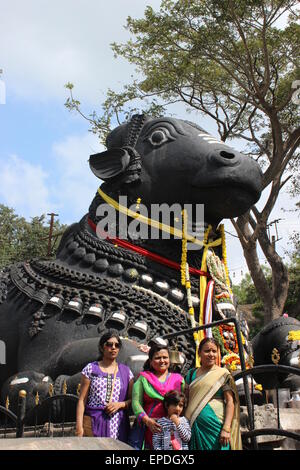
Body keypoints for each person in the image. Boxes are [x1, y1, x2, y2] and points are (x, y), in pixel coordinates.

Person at [76, 330, 134, 442]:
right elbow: (82, 400)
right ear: (102, 347)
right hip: (94, 420)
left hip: (118, 424)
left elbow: (132, 399)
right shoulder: (91, 369)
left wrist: (120, 404)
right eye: (109, 344)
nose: (113, 348)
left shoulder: (126, 372)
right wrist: (79, 426)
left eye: (117, 345)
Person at [185, 337, 242, 450]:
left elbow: (230, 402)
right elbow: (185, 400)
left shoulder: (223, 374)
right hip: (195, 426)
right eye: (207, 351)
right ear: (199, 353)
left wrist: (226, 428)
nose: (211, 354)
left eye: (214, 351)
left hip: (217, 427)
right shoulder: (191, 374)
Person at [131, 342, 185, 449]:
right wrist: (147, 421)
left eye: (165, 357)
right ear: (150, 362)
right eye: (157, 358)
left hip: (171, 429)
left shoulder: (179, 380)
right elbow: (136, 402)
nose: (162, 361)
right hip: (147, 427)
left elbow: (184, 404)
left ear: (169, 360)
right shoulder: (143, 378)